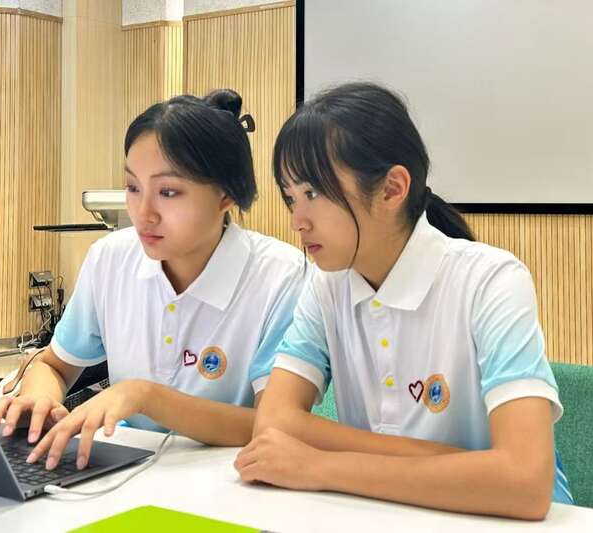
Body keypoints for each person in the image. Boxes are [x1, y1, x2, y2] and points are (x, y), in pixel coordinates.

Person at [235, 82, 573, 520]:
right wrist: (457, 463)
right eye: (290, 197)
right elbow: (274, 421)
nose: (297, 220)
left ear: (392, 189)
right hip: (389, 512)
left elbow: (524, 483)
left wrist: (320, 464)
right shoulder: (326, 284)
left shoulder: (491, 280)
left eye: (313, 193)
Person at [0, 90, 307, 472]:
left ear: (225, 194)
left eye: (168, 192)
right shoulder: (110, 258)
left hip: (230, 479)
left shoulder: (279, 276)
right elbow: (55, 365)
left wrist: (145, 397)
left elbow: (274, 425)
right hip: (122, 470)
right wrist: (40, 399)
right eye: (133, 187)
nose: (144, 213)